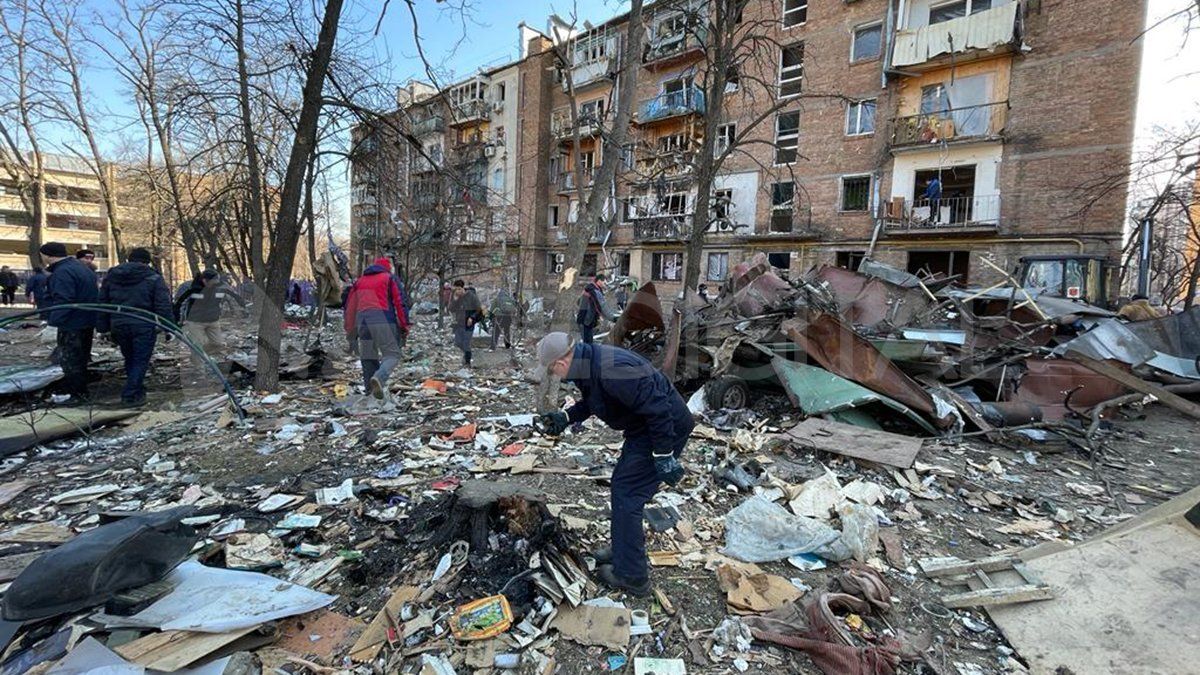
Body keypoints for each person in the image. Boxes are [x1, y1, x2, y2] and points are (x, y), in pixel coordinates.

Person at [536, 332, 693, 596]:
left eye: (552, 370)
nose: (555, 375)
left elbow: (658, 408)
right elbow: (597, 401)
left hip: (663, 428)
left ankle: (632, 576)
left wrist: (663, 454)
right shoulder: (589, 364)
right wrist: (566, 416)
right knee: (623, 488)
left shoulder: (611, 369)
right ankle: (623, 550)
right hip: (645, 428)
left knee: (628, 494)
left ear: (560, 363)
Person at [96, 248, 172, 405]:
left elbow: (103, 303)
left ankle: (137, 390)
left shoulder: (112, 277)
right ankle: (130, 395)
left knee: (130, 358)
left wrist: (102, 328)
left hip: (118, 325)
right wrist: (169, 327)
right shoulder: (153, 278)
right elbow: (163, 305)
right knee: (140, 360)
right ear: (147, 261)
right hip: (143, 325)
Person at [40, 242, 98, 403]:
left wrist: (53, 324)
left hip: (72, 322)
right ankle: (77, 388)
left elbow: (64, 300)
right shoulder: (82, 268)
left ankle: (77, 394)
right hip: (86, 320)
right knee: (81, 356)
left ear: (47, 255)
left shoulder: (63, 272)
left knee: (71, 359)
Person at [344, 257, 409, 399]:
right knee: (392, 354)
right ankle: (379, 378)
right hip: (383, 319)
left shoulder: (359, 282)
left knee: (368, 357)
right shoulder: (389, 278)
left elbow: (350, 307)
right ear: (387, 267)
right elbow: (400, 302)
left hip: (363, 323)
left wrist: (349, 329)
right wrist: (405, 325)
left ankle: (370, 394)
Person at [173, 270, 247, 362]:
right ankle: (200, 373)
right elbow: (180, 304)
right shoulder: (190, 288)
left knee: (217, 344)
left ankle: (198, 353)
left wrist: (241, 307)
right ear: (205, 281)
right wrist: (179, 321)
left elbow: (233, 297)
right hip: (195, 322)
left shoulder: (220, 287)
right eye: (213, 283)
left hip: (213, 321)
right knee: (197, 344)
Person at [448, 280, 482, 367]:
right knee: (458, 342)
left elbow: (479, 309)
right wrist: (455, 300)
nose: (458, 291)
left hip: (469, 323)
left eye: (459, 289)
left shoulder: (471, 296)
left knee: (466, 343)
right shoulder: (455, 297)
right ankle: (467, 354)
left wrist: (472, 317)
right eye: (456, 290)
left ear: (463, 288)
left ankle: (468, 362)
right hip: (459, 323)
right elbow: (451, 309)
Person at [576, 273, 616, 344]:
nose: (605, 284)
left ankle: (586, 354)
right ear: (599, 281)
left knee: (586, 343)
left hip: (582, 319)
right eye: (604, 281)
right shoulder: (595, 291)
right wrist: (613, 318)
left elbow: (578, 302)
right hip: (587, 320)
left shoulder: (588, 289)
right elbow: (602, 306)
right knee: (588, 344)